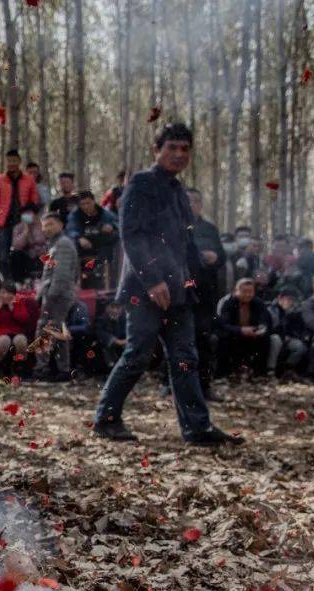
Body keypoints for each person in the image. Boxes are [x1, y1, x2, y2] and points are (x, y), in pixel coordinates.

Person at [94, 122, 241, 445]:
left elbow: (185, 245)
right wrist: (152, 280)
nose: (178, 154)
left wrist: (197, 281)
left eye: (184, 149)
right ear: (156, 150)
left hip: (177, 291)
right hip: (145, 289)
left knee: (185, 357)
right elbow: (132, 234)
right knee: (138, 354)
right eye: (171, 148)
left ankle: (197, 428)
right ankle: (106, 419)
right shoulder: (141, 184)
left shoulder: (178, 192)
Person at [187, 188, 226, 399]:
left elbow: (222, 257)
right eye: (187, 201)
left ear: (200, 205)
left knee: (204, 338)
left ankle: (205, 385)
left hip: (205, 293)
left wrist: (215, 257)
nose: (191, 204)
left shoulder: (210, 229)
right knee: (179, 339)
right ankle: (169, 383)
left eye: (195, 201)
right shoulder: (173, 226)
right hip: (182, 291)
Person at [35, 212, 79, 382]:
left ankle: (42, 369)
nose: (46, 228)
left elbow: (61, 276)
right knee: (58, 330)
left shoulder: (63, 244)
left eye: (50, 224)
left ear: (60, 225)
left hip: (57, 296)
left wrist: (49, 297)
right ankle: (62, 370)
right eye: (44, 225)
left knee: (45, 330)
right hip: (58, 294)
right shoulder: (56, 243)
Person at [0, 149, 41, 273]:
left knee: (24, 252)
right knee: (3, 254)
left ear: (19, 161)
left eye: (14, 160)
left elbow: (35, 200)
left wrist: (30, 212)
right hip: (4, 222)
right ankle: (7, 281)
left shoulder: (29, 180)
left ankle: (23, 279)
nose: (11, 163)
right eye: (9, 161)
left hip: (23, 222)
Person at [216, 278, 273, 377]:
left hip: (252, 334)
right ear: (236, 291)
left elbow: (265, 320)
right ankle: (224, 372)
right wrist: (241, 330)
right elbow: (223, 324)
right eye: (244, 291)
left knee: (265, 338)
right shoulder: (227, 302)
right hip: (233, 335)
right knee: (223, 338)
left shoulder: (258, 302)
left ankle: (259, 373)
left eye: (250, 292)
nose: (248, 294)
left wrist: (260, 329)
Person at [65, 190, 119, 289]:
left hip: (102, 247)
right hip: (83, 247)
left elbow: (118, 225)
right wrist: (79, 237)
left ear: (94, 201)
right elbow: (70, 230)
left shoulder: (105, 213)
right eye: (83, 204)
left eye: (88, 203)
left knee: (115, 241)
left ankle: (108, 284)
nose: (86, 206)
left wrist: (111, 227)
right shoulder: (75, 215)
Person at [266, 289, 309, 377]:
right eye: (289, 299)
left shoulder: (294, 311)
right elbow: (273, 328)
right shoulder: (271, 310)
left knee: (300, 347)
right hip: (274, 338)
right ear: (280, 298)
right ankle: (270, 369)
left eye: (293, 300)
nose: (291, 302)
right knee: (276, 339)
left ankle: (287, 369)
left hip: (289, 338)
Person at [9, 202, 46, 284]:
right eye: (24, 214)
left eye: (29, 213)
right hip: (26, 257)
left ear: (35, 215)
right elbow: (16, 245)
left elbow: (43, 242)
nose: (26, 215)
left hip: (42, 255)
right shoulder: (18, 228)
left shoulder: (42, 226)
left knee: (52, 260)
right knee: (15, 255)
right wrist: (26, 231)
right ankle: (19, 282)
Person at [94, 298, 128, 371]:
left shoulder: (125, 317)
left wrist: (127, 339)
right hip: (106, 345)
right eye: (112, 307)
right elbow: (99, 332)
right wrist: (115, 340)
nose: (115, 311)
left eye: (117, 308)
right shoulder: (101, 318)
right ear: (107, 308)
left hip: (123, 341)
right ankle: (111, 367)